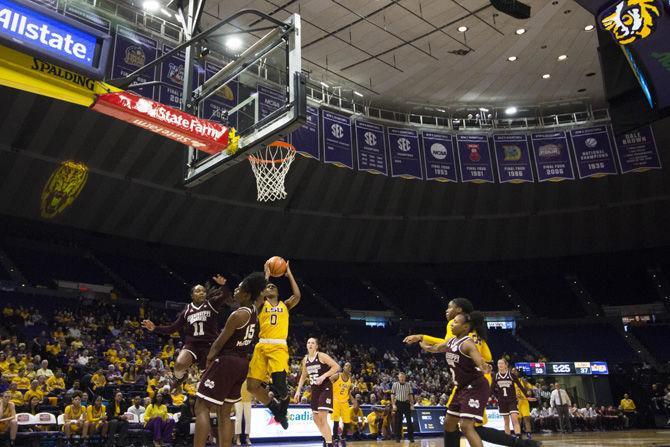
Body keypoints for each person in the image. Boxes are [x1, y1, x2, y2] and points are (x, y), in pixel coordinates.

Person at [405, 299, 540, 447]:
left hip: (476, 381)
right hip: (466, 382)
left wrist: (481, 364)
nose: (447, 311)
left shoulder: (460, 332)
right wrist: (424, 342)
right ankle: (523, 444)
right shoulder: (468, 333)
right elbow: (445, 346)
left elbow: (478, 355)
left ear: (460, 313)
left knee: (470, 426)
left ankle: (522, 444)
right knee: (452, 423)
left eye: (450, 307)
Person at [194, 272, 267, 447]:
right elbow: (260, 294)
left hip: (227, 361)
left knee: (201, 406)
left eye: (240, 288)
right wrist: (266, 275)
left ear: (247, 294)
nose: (236, 289)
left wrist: (208, 362)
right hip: (242, 364)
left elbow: (218, 344)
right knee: (224, 412)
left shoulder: (237, 315)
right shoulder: (254, 311)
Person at [420, 311, 492, 447]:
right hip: (461, 388)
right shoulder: (452, 341)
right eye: (452, 322)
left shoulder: (468, 343)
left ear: (465, 327)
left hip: (475, 387)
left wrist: (483, 366)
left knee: (466, 426)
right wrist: (423, 344)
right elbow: (436, 348)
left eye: (456, 323)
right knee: (449, 423)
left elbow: (478, 359)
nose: (452, 325)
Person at [142, 275, 231, 383]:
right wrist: (154, 328)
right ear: (192, 295)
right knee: (178, 366)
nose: (202, 293)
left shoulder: (211, 304)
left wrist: (223, 285)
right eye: (198, 291)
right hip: (192, 345)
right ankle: (181, 378)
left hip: (209, 346)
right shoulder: (187, 311)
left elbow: (225, 296)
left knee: (207, 380)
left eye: (203, 291)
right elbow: (172, 328)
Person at [246, 261, 301, 429]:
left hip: (278, 347)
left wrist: (289, 274)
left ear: (277, 292)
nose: (270, 287)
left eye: (273, 286)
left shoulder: (285, 304)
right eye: (267, 286)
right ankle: (276, 409)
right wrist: (266, 276)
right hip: (262, 347)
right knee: (252, 386)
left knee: (280, 386)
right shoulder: (262, 304)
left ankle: (282, 407)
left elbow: (297, 295)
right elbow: (257, 294)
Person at [294, 337, 340, 447]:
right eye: (308, 342)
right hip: (315, 389)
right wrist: (298, 391)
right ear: (306, 345)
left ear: (316, 346)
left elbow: (336, 366)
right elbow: (303, 376)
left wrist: (323, 376)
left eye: (312, 343)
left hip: (325, 387)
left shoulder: (321, 356)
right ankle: (329, 440)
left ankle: (329, 444)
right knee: (316, 419)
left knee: (322, 417)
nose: (310, 344)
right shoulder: (305, 360)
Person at [493, 359, 523, 436]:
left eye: (501, 363)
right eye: (498, 363)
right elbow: (491, 389)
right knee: (506, 422)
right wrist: (496, 397)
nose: (500, 365)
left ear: (506, 365)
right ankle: (508, 440)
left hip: (512, 400)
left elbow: (520, 386)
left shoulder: (511, 375)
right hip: (502, 401)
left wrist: (528, 396)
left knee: (514, 419)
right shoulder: (496, 376)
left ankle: (518, 438)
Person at [331, 362, 353, 443]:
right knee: (336, 421)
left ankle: (343, 437)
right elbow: (329, 380)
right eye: (346, 366)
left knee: (347, 421)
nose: (348, 367)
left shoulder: (350, 379)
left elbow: (349, 392)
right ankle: (335, 437)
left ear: (350, 369)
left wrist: (353, 400)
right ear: (343, 367)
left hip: (345, 402)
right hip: (336, 401)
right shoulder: (337, 376)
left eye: (349, 367)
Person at [390, 372, 415, 442]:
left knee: (409, 421)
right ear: (398, 377)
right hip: (398, 403)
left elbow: (410, 395)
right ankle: (398, 437)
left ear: (405, 378)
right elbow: (392, 395)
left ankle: (411, 437)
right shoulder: (395, 384)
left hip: (406, 404)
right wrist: (393, 405)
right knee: (398, 422)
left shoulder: (408, 385)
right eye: (401, 377)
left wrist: (412, 404)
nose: (402, 378)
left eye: (403, 377)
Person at [234, 381, 253, 446]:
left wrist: (254, 398)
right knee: (238, 419)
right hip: (238, 398)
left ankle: (247, 438)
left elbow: (252, 387)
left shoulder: (249, 375)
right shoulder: (237, 374)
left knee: (248, 419)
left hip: (248, 399)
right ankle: (238, 438)